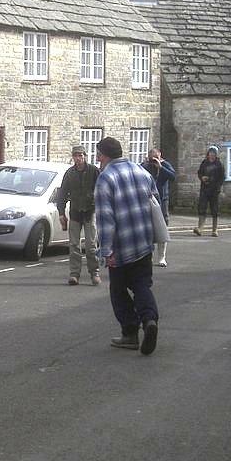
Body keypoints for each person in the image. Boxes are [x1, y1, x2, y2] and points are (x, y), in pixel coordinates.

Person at [95, 137, 160, 355]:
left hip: (120, 247)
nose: (98, 159)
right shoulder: (142, 172)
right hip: (143, 240)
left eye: (99, 155)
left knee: (118, 291)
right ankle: (150, 320)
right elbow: (155, 203)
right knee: (142, 285)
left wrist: (106, 251)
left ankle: (130, 333)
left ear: (103, 155)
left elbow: (105, 218)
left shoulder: (106, 178)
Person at [53, 145, 101, 286]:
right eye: (76, 156)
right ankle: (74, 274)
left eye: (81, 155)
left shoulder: (93, 171)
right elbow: (62, 194)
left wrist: (99, 205)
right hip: (75, 213)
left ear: (85, 156)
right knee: (74, 245)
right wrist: (61, 213)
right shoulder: (69, 173)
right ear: (73, 157)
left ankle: (94, 272)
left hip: (90, 212)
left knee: (91, 245)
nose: (78, 158)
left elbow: (101, 190)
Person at [141, 148, 176, 267]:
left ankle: (162, 257)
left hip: (162, 200)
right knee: (148, 229)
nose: (154, 160)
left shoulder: (165, 164)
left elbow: (173, 177)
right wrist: (144, 164)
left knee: (162, 228)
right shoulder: (146, 166)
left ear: (160, 155)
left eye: (156, 157)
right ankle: (148, 257)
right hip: (148, 199)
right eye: (152, 158)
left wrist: (161, 167)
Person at [194, 145, 225, 237]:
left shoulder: (219, 164)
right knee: (202, 208)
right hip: (204, 189)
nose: (211, 155)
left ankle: (215, 230)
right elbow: (199, 172)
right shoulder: (204, 163)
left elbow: (222, 177)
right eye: (210, 153)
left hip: (214, 190)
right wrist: (202, 178)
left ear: (216, 155)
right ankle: (200, 228)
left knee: (214, 210)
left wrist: (217, 185)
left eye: (213, 153)